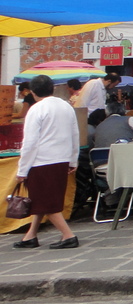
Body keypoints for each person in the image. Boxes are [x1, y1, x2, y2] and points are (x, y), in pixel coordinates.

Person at [13, 75, 80, 250]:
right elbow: (75, 134)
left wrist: (22, 169)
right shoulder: (66, 106)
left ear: (33, 92)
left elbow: (30, 143)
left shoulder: (36, 110)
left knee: (45, 202)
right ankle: (31, 235)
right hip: (62, 158)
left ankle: (68, 235)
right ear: (52, 88)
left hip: (41, 161)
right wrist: (73, 159)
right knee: (42, 199)